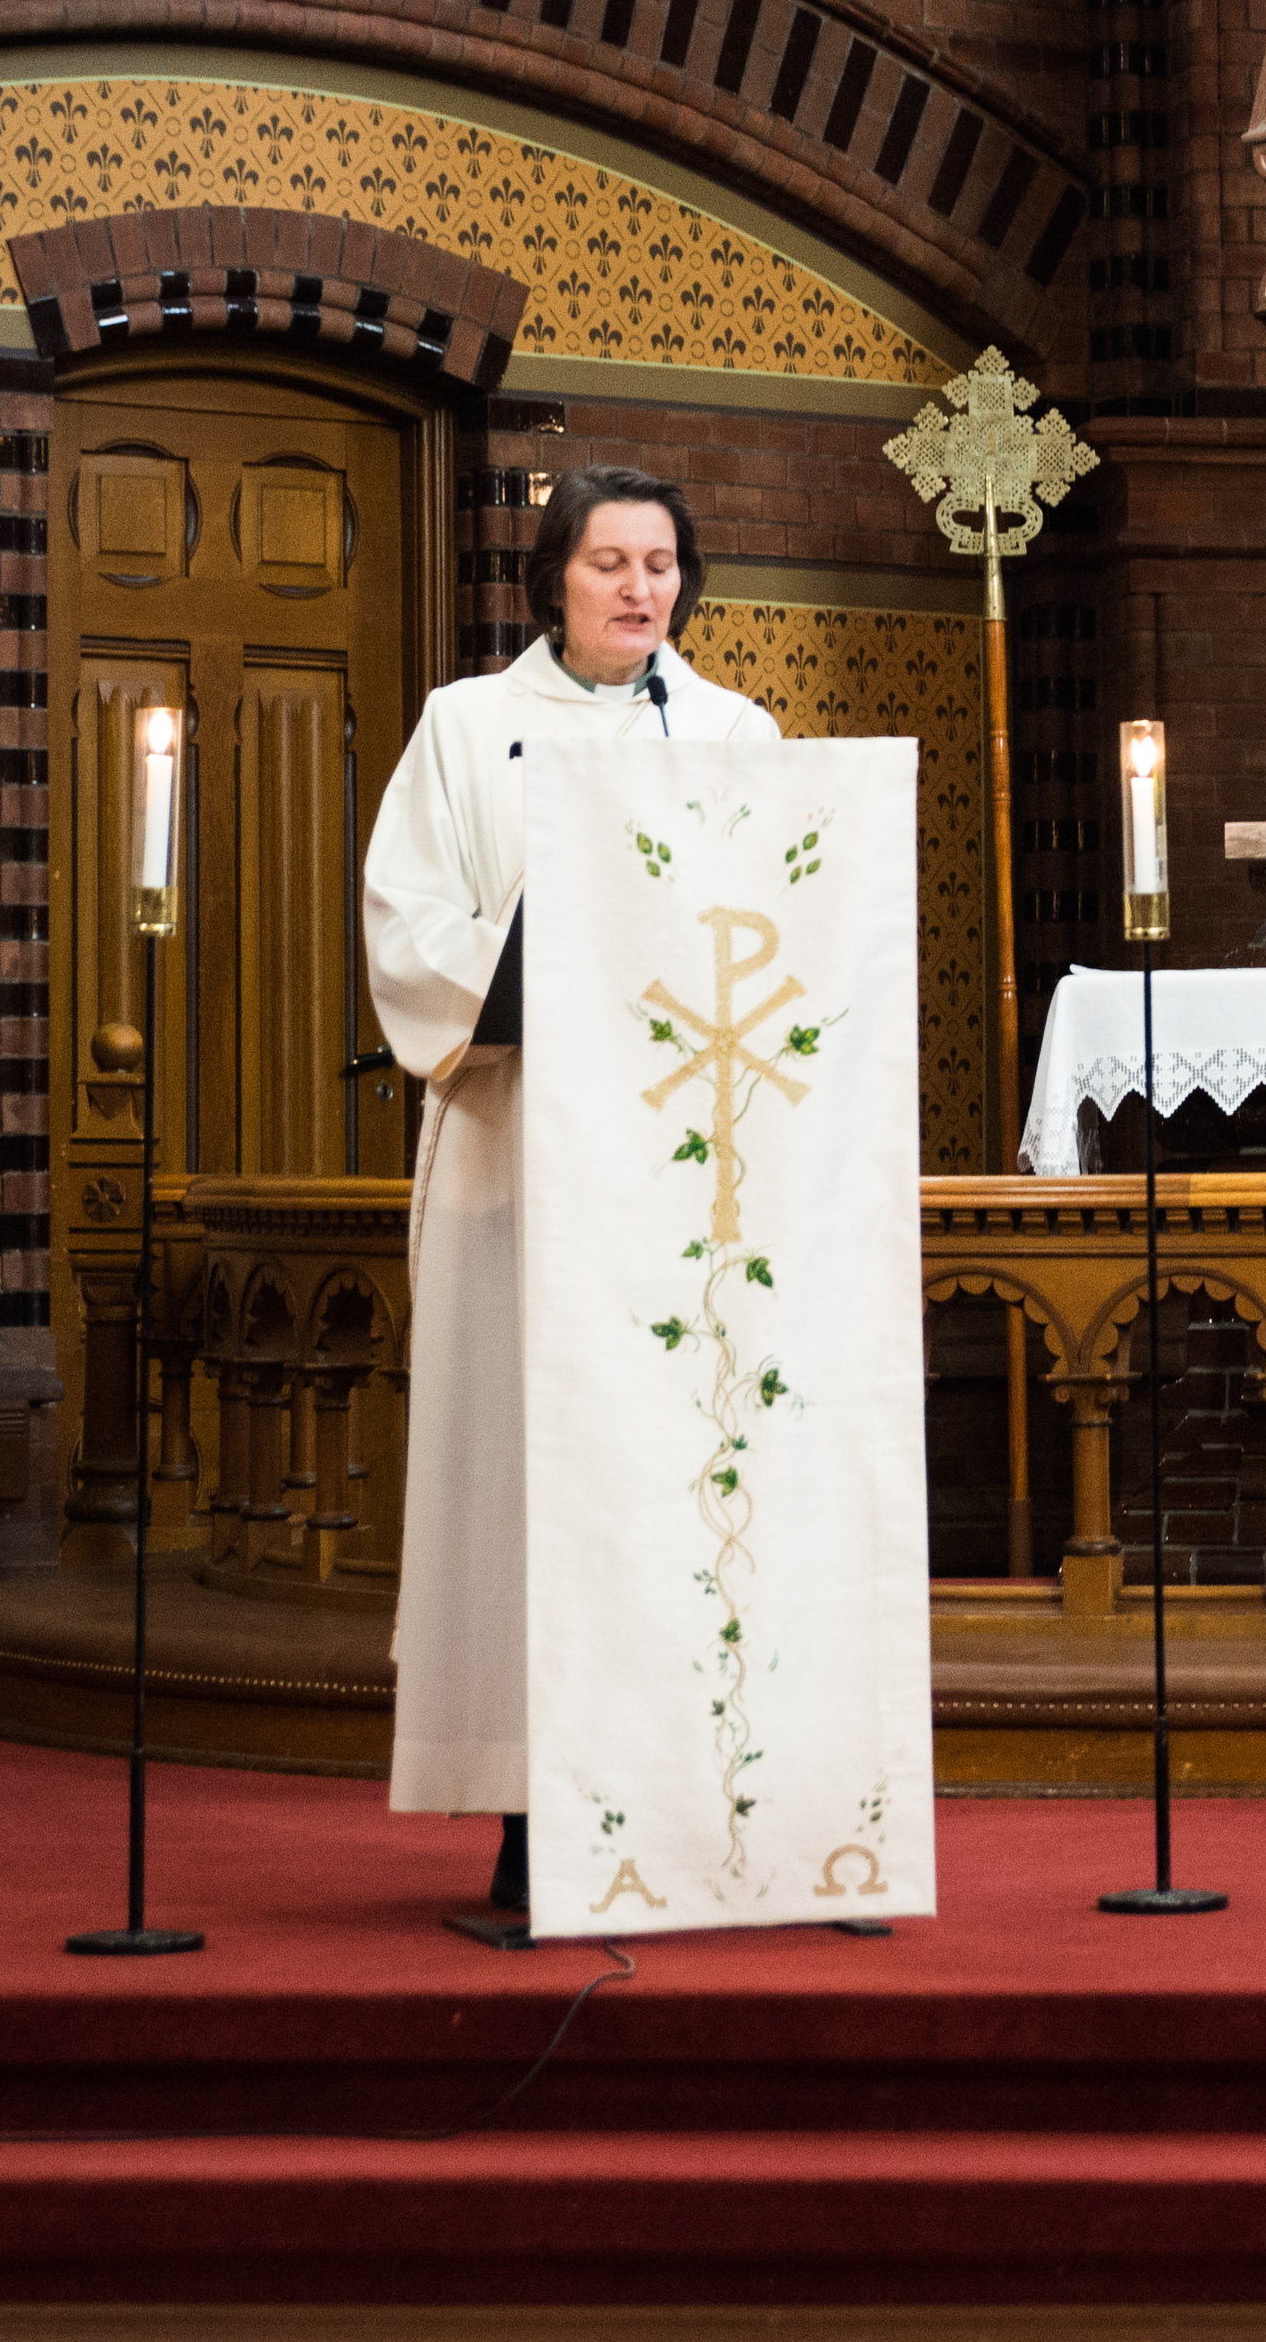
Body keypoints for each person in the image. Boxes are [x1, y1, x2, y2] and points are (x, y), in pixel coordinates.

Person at [363, 464, 777, 1914]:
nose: (637, 589)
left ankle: (697, 1795)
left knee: (685, 1480)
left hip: (683, 1173)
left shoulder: (736, 732)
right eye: (608, 561)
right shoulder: (469, 727)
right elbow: (407, 921)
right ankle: (533, 1812)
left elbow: (780, 916)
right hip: (520, 1152)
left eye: (661, 563)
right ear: (554, 576)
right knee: (528, 1481)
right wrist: (529, 968)